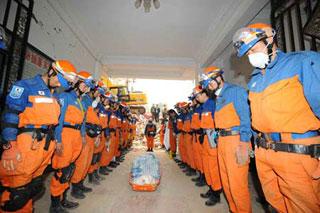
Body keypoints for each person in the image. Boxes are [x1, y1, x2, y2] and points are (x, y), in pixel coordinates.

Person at [233, 22, 320, 212]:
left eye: (253, 49)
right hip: (264, 154)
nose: (251, 56)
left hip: (296, 154)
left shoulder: (302, 62)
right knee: (276, 205)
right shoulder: (254, 80)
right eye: (248, 54)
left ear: (270, 39)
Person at [0, 60, 75, 212]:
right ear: (52, 71)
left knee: (33, 186)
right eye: (59, 80)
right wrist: (9, 146)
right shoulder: (25, 86)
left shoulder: (53, 95)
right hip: (27, 145)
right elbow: (10, 116)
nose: (59, 85)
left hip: (44, 147)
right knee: (18, 191)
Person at [201, 66, 252, 212]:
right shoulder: (218, 98)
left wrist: (243, 143)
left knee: (237, 185)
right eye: (206, 85)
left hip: (235, 141)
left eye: (210, 82)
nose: (208, 86)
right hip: (222, 141)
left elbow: (245, 119)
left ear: (218, 77)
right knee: (227, 182)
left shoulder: (235, 91)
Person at [49, 66, 91, 213]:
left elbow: (83, 121)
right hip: (65, 135)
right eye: (85, 85)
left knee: (69, 169)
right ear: (77, 83)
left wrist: (83, 135)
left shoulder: (81, 101)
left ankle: (63, 199)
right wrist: (58, 139)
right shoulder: (65, 96)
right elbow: (59, 120)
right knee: (62, 170)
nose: (86, 89)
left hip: (77, 136)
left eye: (88, 87)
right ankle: (54, 205)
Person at [70, 71, 100, 199]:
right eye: (85, 85)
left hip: (86, 134)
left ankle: (80, 184)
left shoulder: (87, 99)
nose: (87, 89)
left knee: (86, 161)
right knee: (80, 162)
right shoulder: (72, 97)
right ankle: (75, 187)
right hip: (79, 134)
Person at [196, 79, 222, 207]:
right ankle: (211, 189)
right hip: (206, 137)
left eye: (198, 95)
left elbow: (216, 123)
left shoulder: (212, 104)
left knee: (213, 167)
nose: (196, 98)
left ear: (204, 94)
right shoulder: (204, 106)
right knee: (207, 166)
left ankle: (216, 194)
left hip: (212, 139)